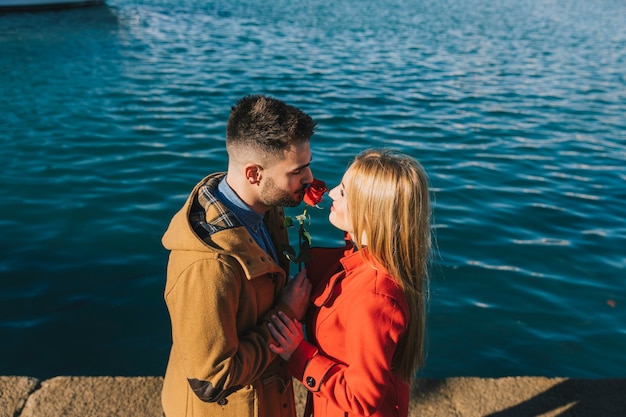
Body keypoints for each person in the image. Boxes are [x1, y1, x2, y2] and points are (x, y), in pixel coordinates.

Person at [161, 95, 316, 417]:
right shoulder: (208, 266)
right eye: (297, 170)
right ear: (253, 174)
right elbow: (210, 382)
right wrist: (287, 313)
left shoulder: (266, 210)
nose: (310, 178)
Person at [268, 149, 431, 417]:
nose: (331, 193)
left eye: (343, 192)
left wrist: (299, 353)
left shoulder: (376, 299)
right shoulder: (366, 263)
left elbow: (361, 398)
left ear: (369, 212)